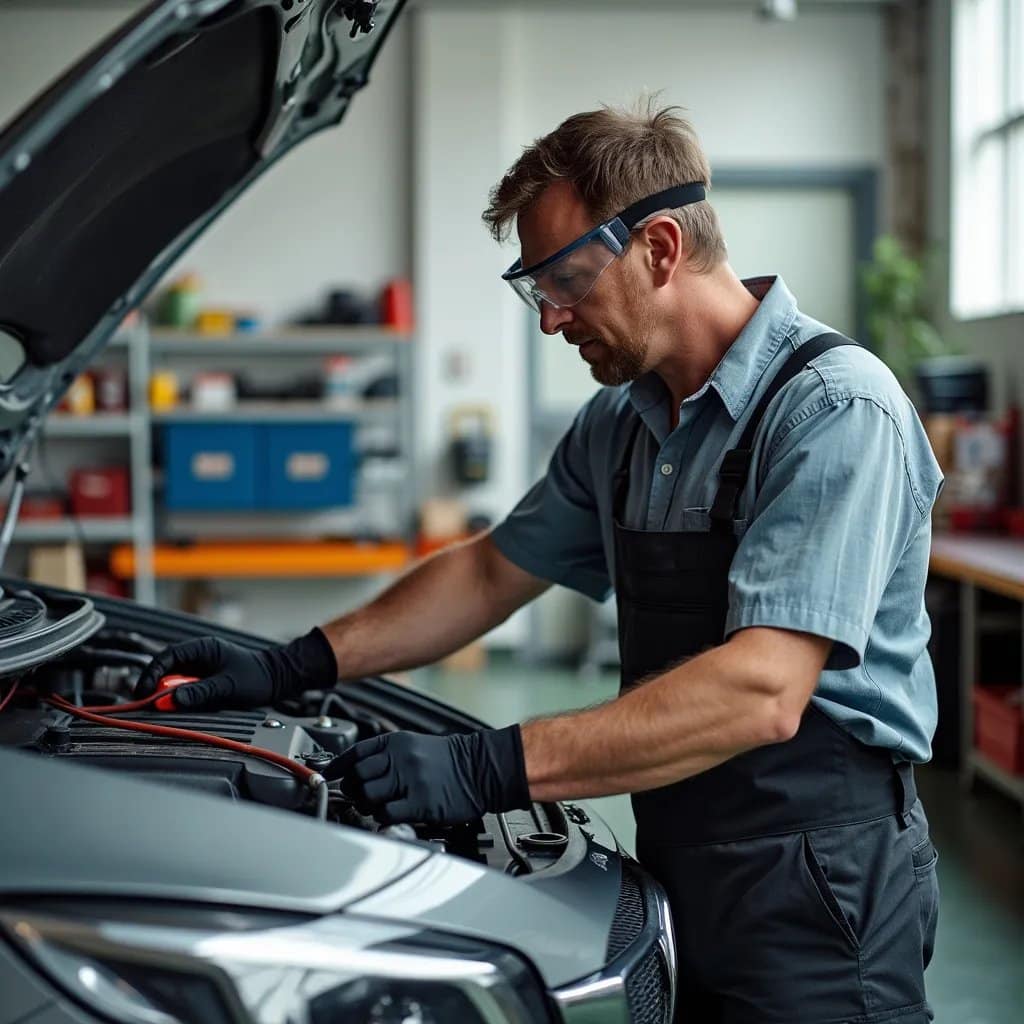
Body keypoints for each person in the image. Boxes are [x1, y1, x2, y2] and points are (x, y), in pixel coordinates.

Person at [137, 102, 942, 1022]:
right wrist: (293, 663)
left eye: (566, 279)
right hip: (684, 850)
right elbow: (490, 572)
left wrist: (488, 767)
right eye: (537, 286)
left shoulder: (835, 412)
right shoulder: (622, 424)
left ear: (663, 249)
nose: (552, 318)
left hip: (824, 882)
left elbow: (762, 691)